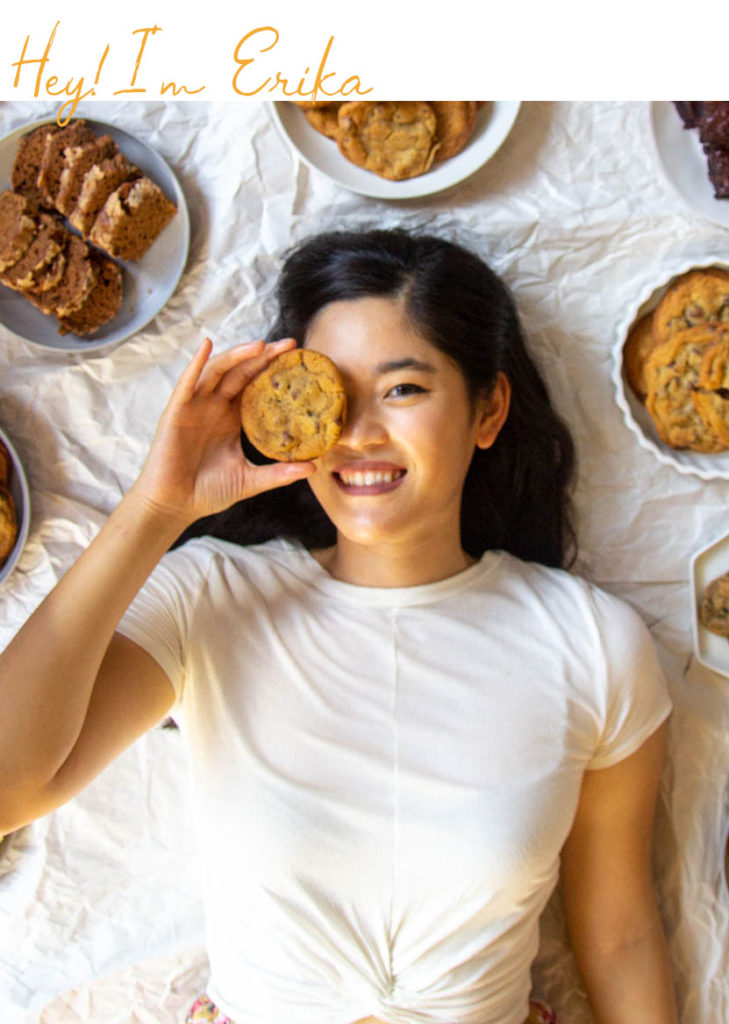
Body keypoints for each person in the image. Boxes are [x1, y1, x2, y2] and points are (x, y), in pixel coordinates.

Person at [0, 228, 677, 1024]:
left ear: (487, 409)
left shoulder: (593, 645)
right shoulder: (212, 598)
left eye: (403, 390)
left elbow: (620, 936)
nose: (356, 431)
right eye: (329, 390)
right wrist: (159, 505)